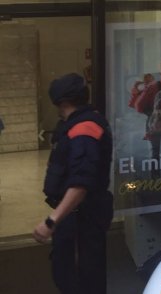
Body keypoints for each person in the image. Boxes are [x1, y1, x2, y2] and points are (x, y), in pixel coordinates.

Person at [32, 73, 113, 294]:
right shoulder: (77, 124)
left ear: (62, 101)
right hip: (76, 216)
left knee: (81, 279)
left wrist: (51, 221)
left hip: (81, 218)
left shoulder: (84, 128)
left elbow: (80, 184)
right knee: (70, 273)